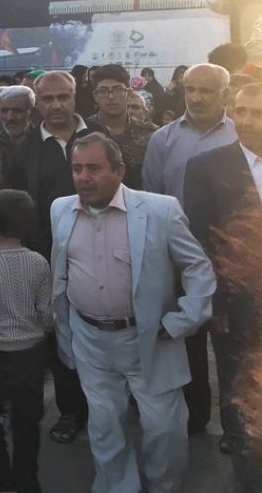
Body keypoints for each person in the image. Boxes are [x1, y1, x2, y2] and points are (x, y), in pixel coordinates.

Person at [52, 133, 215, 493]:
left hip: (150, 338)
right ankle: (117, 486)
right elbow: (62, 271)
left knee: (164, 426)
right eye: (77, 169)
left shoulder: (160, 210)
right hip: (90, 340)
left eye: (94, 168)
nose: (83, 177)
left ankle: (162, 484)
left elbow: (198, 267)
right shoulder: (60, 209)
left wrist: (185, 318)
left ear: (119, 170)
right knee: (105, 424)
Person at [6, 70, 107, 444]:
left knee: (104, 330)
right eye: (48, 99)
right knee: (61, 336)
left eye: (63, 96)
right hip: (48, 257)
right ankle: (71, 410)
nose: (57, 105)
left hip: (104, 253)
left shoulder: (100, 136)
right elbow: (17, 206)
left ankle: (106, 408)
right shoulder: (26, 149)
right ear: (38, 104)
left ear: (76, 95)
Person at [142, 62, 235, 432]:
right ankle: (195, 418)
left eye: (206, 91)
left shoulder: (242, 134)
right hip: (179, 258)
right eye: (190, 89)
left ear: (225, 94)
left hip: (233, 258)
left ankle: (235, 426)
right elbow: (152, 198)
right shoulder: (162, 140)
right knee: (188, 342)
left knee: (233, 344)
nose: (196, 97)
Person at [184, 82, 262, 489]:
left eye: (257, 113)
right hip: (237, 306)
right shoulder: (206, 167)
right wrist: (213, 302)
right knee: (241, 397)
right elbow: (198, 242)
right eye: (241, 112)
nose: (247, 121)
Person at [0, 189, 51, 493]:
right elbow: (47, 313)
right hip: (30, 357)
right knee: (27, 422)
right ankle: (27, 481)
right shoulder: (39, 263)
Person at [85, 64, 156, 190]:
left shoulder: (151, 134)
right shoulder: (84, 132)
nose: (111, 97)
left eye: (118, 90)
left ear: (128, 93)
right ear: (95, 96)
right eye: (103, 91)